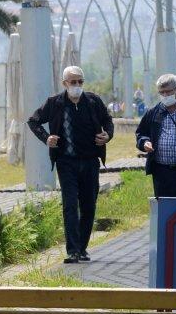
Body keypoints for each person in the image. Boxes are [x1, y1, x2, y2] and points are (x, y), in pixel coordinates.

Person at [27, 66, 114, 263]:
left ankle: (82, 248)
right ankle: (72, 250)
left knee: (88, 205)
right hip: (66, 162)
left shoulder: (93, 101)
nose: (77, 85)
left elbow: (108, 120)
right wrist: (46, 138)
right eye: (73, 82)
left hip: (90, 161)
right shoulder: (55, 103)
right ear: (64, 83)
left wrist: (107, 135)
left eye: (80, 82)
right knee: (70, 205)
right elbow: (33, 121)